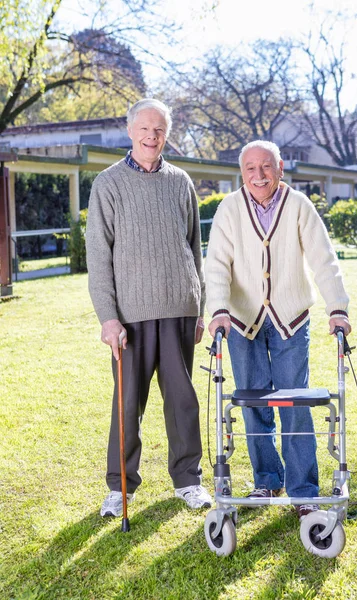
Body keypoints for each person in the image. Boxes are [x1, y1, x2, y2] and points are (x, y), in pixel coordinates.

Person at [205, 140, 351, 520]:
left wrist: (337, 308)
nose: (259, 175)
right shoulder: (229, 209)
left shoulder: (299, 206)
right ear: (241, 172)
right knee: (252, 404)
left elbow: (323, 259)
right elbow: (217, 264)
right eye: (250, 168)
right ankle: (267, 478)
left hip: (290, 317)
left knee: (294, 404)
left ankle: (304, 490)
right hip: (241, 320)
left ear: (280, 168)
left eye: (266, 167)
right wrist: (218, 309)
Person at [86, 98, 211, 517]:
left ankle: (189, 480)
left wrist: (199, 307)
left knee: (182, 401)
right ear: (130, 131)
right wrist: (108, 317)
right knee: (127, 405)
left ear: (166, 134)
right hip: (130, 317)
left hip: (180, 309)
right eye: (144, 128)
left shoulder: (181, 182)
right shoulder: (108, 183)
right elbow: (99, 257)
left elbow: (194, 248)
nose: (151, 136)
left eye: (159, 129)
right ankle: (120, 486)